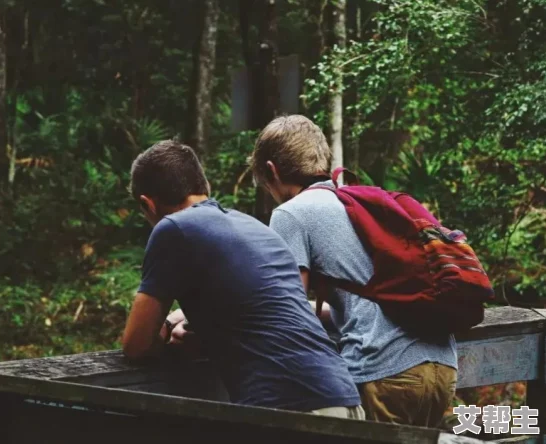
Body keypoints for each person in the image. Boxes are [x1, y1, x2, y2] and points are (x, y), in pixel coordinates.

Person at [122, 140, 364, 419]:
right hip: (343, 397)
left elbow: (136, 345)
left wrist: (163, 328)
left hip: (289, 407)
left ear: (147, 204)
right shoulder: (254, 228)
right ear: (204, 187)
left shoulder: (173, 228)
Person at [249, 115, 458, 427]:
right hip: (442, 367)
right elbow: (363, 303)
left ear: (272, 171)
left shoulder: (290, 214)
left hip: (384, 371)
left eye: (266, 186)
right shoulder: (358, 203)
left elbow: (286, 312)